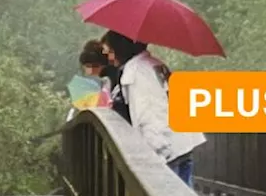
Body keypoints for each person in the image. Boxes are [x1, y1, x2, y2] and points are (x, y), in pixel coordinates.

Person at [101, 30, 204, 185]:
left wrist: (154, 159)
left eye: (109, 52)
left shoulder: (136, 72)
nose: (108, 58)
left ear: (120, 49)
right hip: (182, 142)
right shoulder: (154, 63)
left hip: (166, 149)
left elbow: (148, 115)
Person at [66, 40, 124, 123]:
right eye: (88, 66)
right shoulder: (85, 83)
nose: (91, 70)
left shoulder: (109, 78)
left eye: (95, 66)